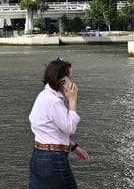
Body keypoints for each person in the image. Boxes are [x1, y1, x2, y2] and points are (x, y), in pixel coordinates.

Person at [28, 58, 90, 188]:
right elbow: (69, 128)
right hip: (53, 159)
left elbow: (50, 130)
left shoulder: (43, 96)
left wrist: (73, 146)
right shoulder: (53, 102)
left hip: (38, 156)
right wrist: (72, 101)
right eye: (69, 78)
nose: (71, 82)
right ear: (61, 81)